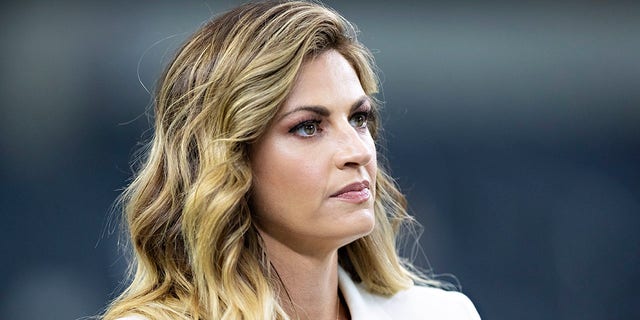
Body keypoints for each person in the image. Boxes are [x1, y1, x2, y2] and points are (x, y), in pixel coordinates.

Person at [102, 1, 480, 319]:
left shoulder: (442, 314)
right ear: (226, 159)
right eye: (308, 127)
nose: (358, 152)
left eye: (358, 118)